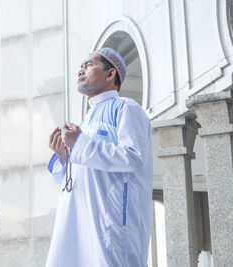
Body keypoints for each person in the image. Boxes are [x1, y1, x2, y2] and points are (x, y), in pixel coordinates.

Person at [46, 47, 153, 267]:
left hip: (109, 227)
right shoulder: (85, 123)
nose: (80, 71)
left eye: (89, 64)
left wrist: (80, 144)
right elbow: (85, 173)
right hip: (78, 224)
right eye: (80, 67)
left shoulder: (126, 108)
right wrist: (65, 159)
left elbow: (133, 158)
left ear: (110, 74)